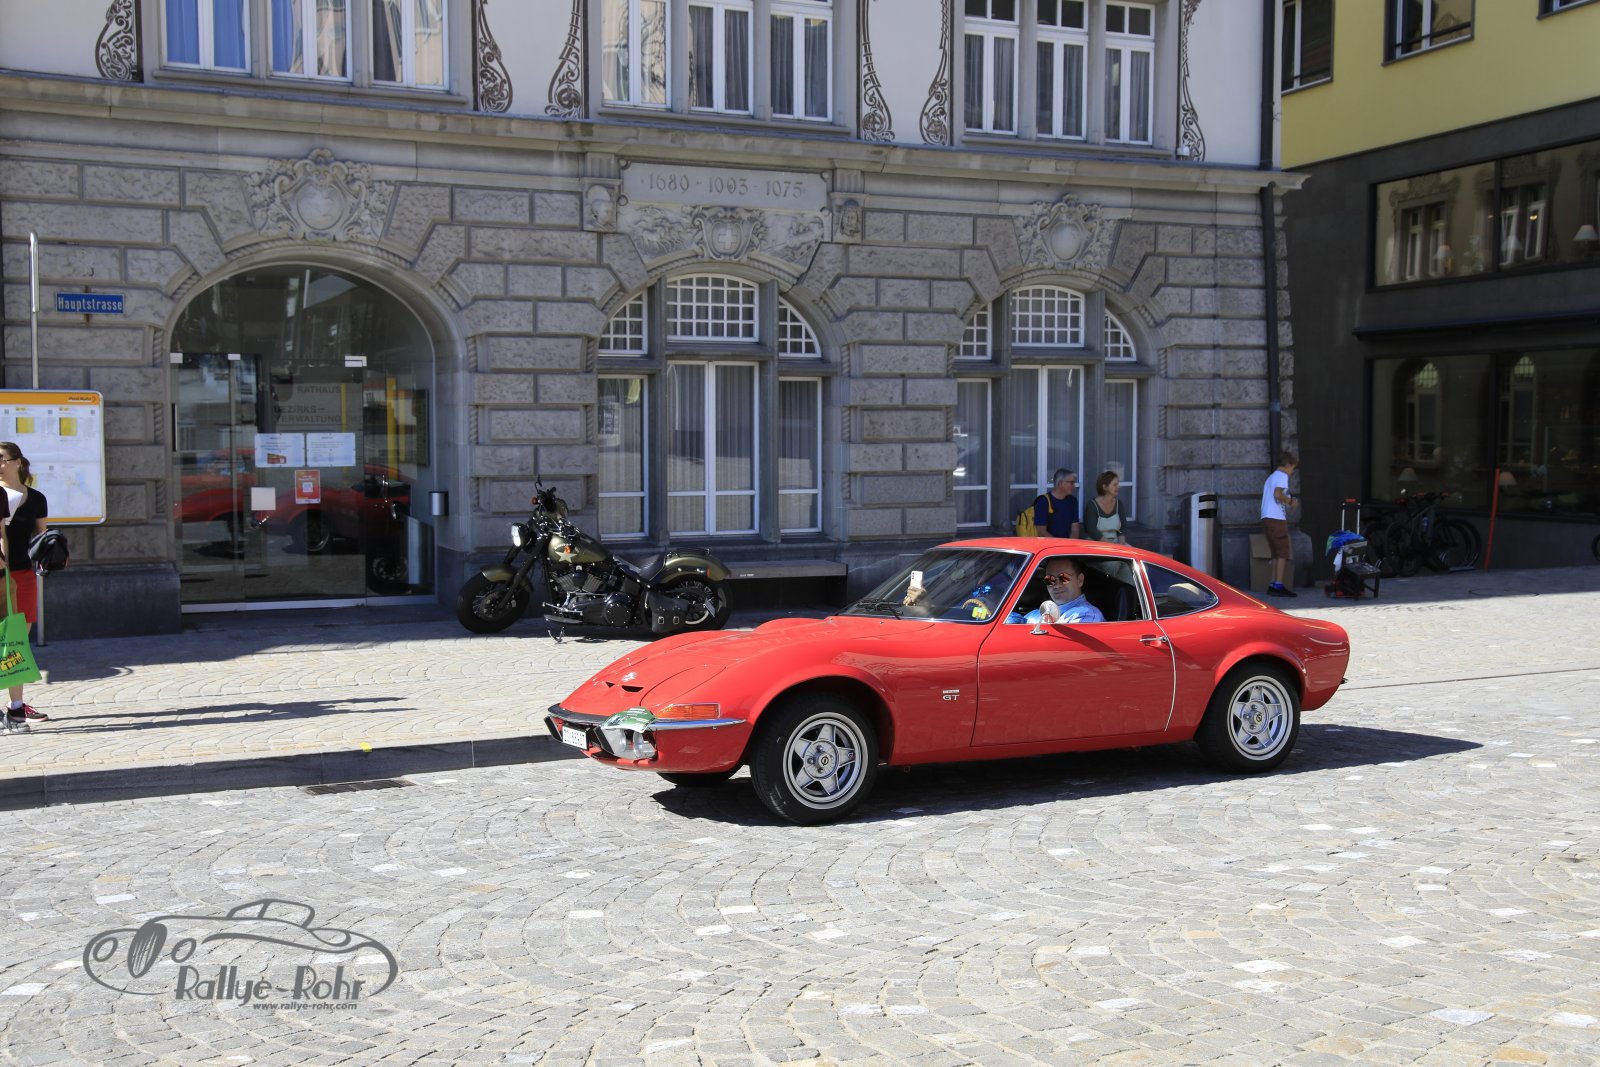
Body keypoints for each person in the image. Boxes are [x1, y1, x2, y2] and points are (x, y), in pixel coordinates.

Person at [0, 442, 49, 730]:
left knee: (16, 643)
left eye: (2, 459)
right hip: (0, 576)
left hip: (23, 575)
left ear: (18, 462)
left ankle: (16, 707)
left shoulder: (36, 499)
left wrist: (53, 549)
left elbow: (42, 537)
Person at [1008, 556, 1105, 625]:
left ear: (1080, 580)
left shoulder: (1086, 615)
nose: (1056, 585)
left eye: (1064, 578)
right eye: (1050, 579)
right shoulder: (1038, 613)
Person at [1261, 451, 1298, 598]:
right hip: (1276, 518)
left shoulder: (1271, 477)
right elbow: (1278, 494)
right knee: (1283, 552)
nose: (1292, 472)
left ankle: (1273, 584)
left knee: (1276, 553)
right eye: (1293, 468)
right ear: (1288, 465)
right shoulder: (1282, 476)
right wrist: (1291, 502)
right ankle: (1278, 584)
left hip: (1267, 517)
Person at [1032, 469, 1082, 539]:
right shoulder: (1043, 501)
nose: (1074, 486)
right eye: (1071, 483)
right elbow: (1041, 532)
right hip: (1048, 544)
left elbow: (1075, 528)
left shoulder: (1072, 501)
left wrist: (1071, 544)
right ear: (1060, 483)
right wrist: (1059, 544)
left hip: (1068, 544)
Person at [1082, 471, 1130, 544]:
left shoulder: (1119, 504)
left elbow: (1122, 528)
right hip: (1096, 543)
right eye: (1115, 484)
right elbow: (1092, 530)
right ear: (1105, 487)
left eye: (1118, 484)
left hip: (1116, 541)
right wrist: (1111, 545)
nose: (1118, 487)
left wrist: (1121, 543)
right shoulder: (1092, 505)